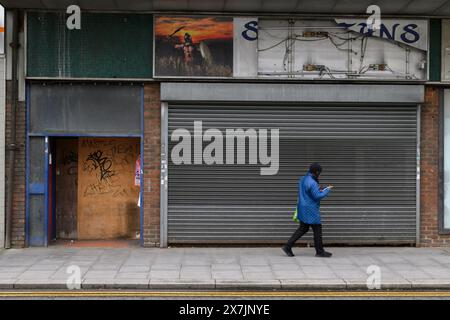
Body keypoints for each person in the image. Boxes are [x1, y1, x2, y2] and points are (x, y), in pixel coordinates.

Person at [282, 163, 334, 258]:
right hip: (310, 209)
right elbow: (317, 196)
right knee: (317, 228)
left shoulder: (303, 179)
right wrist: (327, 190)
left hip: (302, 206)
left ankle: (287, 246)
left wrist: (319, 189)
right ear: (317, 172)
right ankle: (320, 252)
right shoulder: (312, 182)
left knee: (303, 228)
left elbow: (308, 192)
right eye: (319, 172)